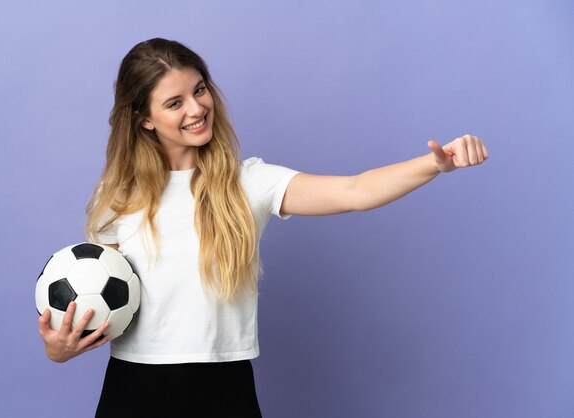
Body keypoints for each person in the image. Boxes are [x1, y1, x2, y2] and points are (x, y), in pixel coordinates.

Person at [37, 37, 489, 417]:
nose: (196, 108)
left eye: (200, 89)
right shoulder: (117, 199)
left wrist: (434, 164)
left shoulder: (247, 181)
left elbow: (355, 190)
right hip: (134, 388)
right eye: (175, 102)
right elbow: (98, 308)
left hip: (225, 387)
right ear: (145, 119)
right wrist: (60, 349)